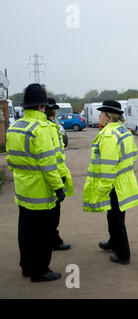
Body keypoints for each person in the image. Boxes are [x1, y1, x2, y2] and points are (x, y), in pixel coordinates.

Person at [6, 84, 65, 282]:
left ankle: (26, 266)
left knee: (25, 230)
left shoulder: (14, 126)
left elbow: (10, 160)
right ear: (41, 106)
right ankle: (40, 271)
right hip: (40, 191)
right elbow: (49, 165)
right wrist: (58, 187)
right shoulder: (42, 129)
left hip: (22, 190)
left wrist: (22, 176)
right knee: (42, 233)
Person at [82, 100, 138, 265]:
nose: (99, 116)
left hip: (114, 184)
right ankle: (113, 243)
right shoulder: (123, 130)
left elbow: (109, 167)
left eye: (101, 113)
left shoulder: (109, 135)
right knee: (115, 216)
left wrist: (102, 189)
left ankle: (123, 254)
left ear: (108, 116)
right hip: (123, 182)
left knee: (116, 219)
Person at [46, 98, 74, 250]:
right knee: (53, 212)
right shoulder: (49, 127)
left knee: (53, 211)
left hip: (55, 173)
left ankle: (53, 238)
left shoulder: (52, 125)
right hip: (53, 175)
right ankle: (53, 240)